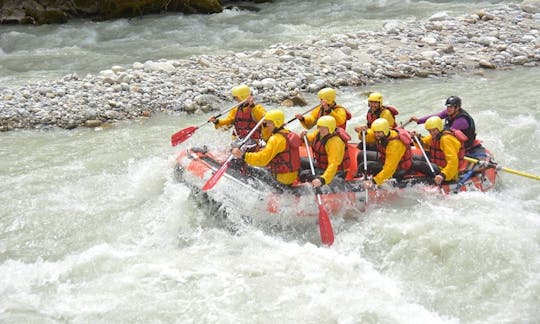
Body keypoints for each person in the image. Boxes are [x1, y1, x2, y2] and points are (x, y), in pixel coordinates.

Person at [231, 109, 300, 186]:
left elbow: (262, 160)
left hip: (280, 179)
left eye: (269, 123)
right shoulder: (287, 133)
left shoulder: (276, 139)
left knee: (249, 167)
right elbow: (267, 139)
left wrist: (242, 155)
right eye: (266, 123)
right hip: (290, 176)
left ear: (276, 123)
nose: (267, 125)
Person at [408, 96, 480, 153]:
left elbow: (448, 133)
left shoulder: (461, 120)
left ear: (457, 108)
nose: (448, 109)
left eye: (451, 107)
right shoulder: (450, 112)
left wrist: (432, 138)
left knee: (439, 132)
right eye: (447, 106)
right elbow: (436, 116)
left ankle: (423, 142)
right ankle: (420, 141)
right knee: (437, 130)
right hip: (452, 135)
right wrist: (419, 120)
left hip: (465, 143)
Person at [358, 118, 413, 188]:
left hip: (397, 168)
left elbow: (389, 169)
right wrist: (364, 132)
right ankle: (358, 178)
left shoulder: (395, 144)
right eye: (375, 132)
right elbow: (367, 137)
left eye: (378, 132)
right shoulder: (382, 134)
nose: (376, 135)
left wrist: (373, 181)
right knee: (361, 154)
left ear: (385, 131)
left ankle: (363, 184)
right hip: (385, 160)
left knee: (364, 165)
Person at [413, 116, 468, 185]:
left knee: (416, 164)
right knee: (411, 157)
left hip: (445, 171)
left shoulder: (446, 140)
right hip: (437, 164)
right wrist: (416, 138)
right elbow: (424, 145)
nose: (432, 133)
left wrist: (443, 175)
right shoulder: (435, 136)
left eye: (434, 130)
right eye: (429, 131)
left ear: (439, 128)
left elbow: (453, 162)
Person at [300, 116, 351, 188]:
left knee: (303, 174)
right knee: (300, 161)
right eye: (320, 127)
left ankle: (314, 186)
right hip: (322, 166)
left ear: (330, 127)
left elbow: (333, 165)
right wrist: (304, 136)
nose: (321, 129)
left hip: (336, 173)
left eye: (324, 127)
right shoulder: (320, 133)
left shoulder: (335, 142)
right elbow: (309, 138)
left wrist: (322, 179)